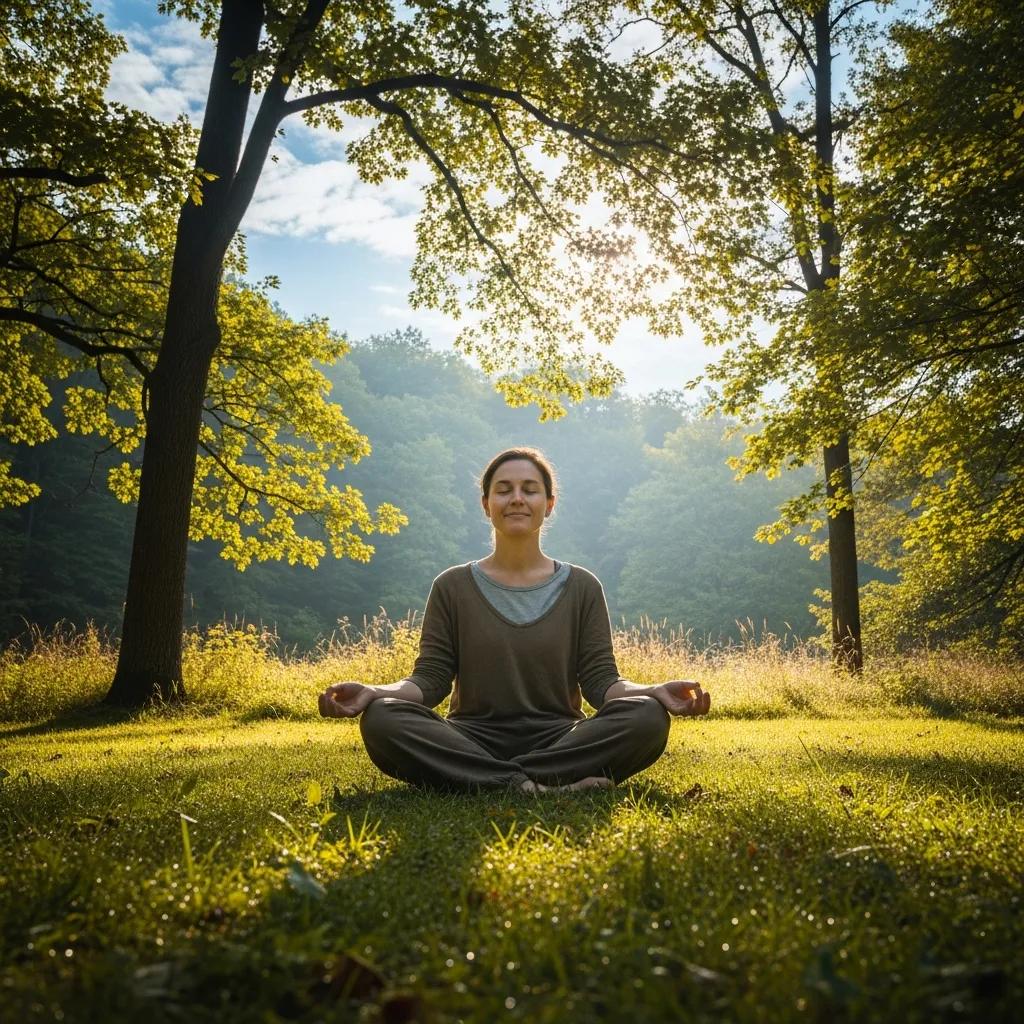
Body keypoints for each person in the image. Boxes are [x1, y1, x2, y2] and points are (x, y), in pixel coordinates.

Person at [317, 446, 710, 794]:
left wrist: (656, 689)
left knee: (646, 716)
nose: (517, 499)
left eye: (529, 489)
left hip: (561, 739)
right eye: (504, 490)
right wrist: (374, 691)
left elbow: (602, 683)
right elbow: (429, 681)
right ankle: (533, 785)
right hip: (469, 738)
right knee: (383, 718)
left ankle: (496, 781)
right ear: (486, 504)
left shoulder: (582, 587)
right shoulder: (451, 586)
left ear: (549, 504)